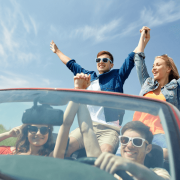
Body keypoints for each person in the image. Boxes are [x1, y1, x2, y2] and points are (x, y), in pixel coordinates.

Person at [50, 41, 135, 155]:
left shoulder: (117, 76)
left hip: (109, 129)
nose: (101, 62)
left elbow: (131, 59)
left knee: (104, 154)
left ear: (111, 65)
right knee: (65, 147)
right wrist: (57, 51)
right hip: (88, 125)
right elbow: (71, 64)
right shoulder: (88, 77)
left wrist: (143, 40)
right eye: (98, 60)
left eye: (105, 60)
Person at [0, 75, 101, 158]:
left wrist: (78, 90)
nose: (38, 133)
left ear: (48, 133)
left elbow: (65, 124)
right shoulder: (10, 152)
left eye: (44, 130)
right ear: (27, 132)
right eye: (33, 129)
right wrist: (8, 134)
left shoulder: (51, 158)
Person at [133, 26, 180, 160]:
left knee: (171, 156)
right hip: (138, 133)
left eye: (158, 65)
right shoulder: (146, 83)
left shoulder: (176, 87)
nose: (154, 68)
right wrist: (143, 38)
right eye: (153, 65)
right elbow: (138, 59)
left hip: (162, 134)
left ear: (168, 69)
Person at [95, 121, 170, 180]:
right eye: (124, 140)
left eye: (137, 141)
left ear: (148, 148)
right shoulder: (109, 171)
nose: (129, 145)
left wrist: (129, 165)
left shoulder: (158, 172)